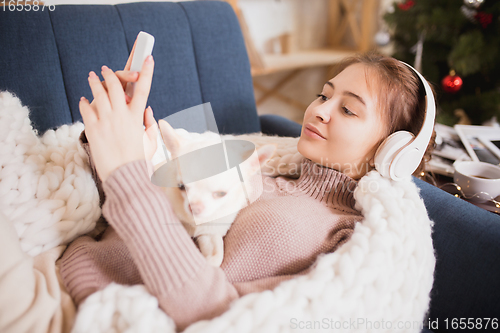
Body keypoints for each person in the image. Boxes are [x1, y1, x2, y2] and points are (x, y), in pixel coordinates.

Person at [57, 41, 434, 331]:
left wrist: (127, 175)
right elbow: (130, 203)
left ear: (392, 151)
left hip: (90, 314)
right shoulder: (253, 165)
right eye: (324, 94)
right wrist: (115, 142)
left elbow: (218, 315)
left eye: (348, 109)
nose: (319, 109)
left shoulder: (343, 236)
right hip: (66, 269)